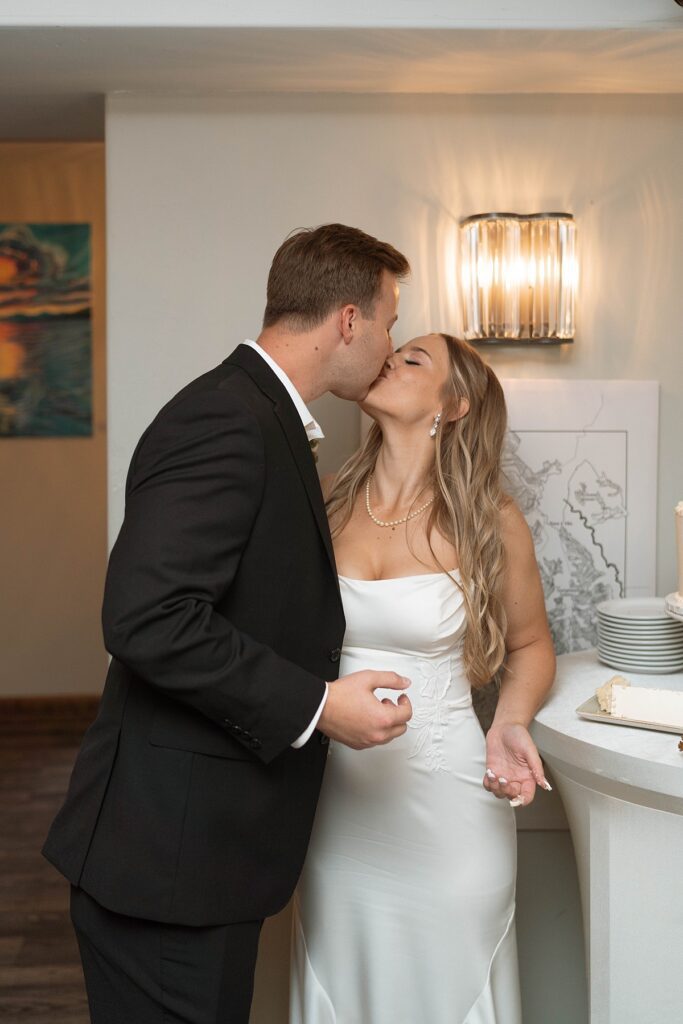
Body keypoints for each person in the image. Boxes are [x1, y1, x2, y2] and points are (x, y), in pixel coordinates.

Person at [42, 223, 415, 1024]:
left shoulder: (258, 415)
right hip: (166, 862)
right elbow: (146, 616)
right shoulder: (226, 419)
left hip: (196, 857)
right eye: (389, 319)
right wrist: (317, 706)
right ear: (346, 319)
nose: (391, 341)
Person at [290, 333, 556, 1024]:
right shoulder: (321, 505)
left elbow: (529, 645)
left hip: (450, 809)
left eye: (412, 359)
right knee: (343, 978)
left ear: (454, 404)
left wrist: (509, 724)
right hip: (334, 811)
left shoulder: (490, 522)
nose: (388, 359)